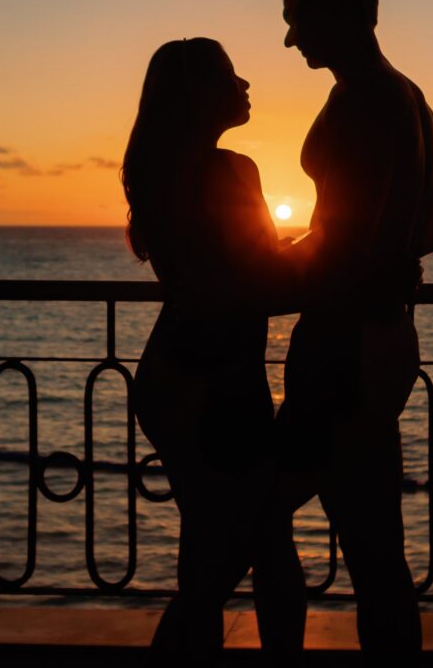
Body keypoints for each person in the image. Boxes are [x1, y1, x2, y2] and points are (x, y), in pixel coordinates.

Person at [273, 0, 433, 656]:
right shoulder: (403, 94)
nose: (290, 39)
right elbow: (422, 232)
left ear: (339, 10)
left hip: (346, 343)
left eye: (297, 19)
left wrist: (259, 278)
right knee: (376, 544)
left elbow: (358, 244)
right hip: (377, 336)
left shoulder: (369, 97)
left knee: (251, 516)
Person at [124, 37, 309, 663]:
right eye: (231, 74)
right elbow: (266, 281)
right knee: (249, 550)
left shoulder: (156, 174)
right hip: (219, 381)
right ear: (200, 94)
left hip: (174, 373)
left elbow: (226, 277)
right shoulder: (231, 170)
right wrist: (341, 250)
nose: (246, 83)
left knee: (211, 546)